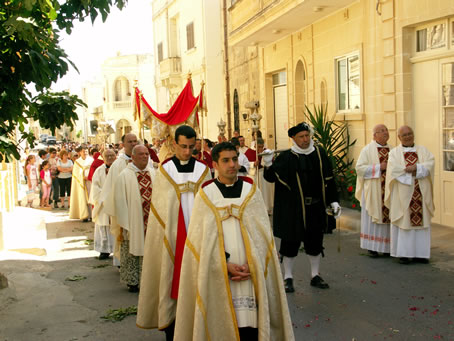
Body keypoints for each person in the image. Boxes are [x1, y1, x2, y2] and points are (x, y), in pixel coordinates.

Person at [173, 142, 295, 341]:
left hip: (250, 272)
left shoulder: (251, 190)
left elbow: (263, 236)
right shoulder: (206, 194)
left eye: (235, 159)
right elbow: (198, 244)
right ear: (215, 165)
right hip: (218, 275)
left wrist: (253, 263)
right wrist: (223, 264)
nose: (232, 165)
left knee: (250, 328)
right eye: (226, 160)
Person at [137, 125, 211, 340]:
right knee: (171, 281)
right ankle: (173, 330)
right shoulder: (165, 170)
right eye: (183, 147)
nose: (187, 152)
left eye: (191, 147)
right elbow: (161, 209)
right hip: (172, 237)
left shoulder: (203, 170)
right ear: (174, 144)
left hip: (197, 236)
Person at [263, 122, 340, 293]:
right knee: (290, 243)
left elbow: (329, 179)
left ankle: (315, 275)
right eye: (301, 137)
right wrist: (268, 163)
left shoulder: (319, 154)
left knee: (315, 242)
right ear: (293, 139)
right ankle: (288, 278)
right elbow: (270, 178)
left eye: (307, 136)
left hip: (315, 207)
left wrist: (334, 201)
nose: (305, 140)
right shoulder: (286, 157)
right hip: (293, 210)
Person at [105, 145, 155, 291]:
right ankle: (133, 281)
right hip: (133, 221)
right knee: (132, 247)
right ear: (132, 157)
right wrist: (125, 223)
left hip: (150, 220)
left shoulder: (153, 173)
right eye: (141, 154)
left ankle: (149, 281)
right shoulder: (125, 175)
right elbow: (119, 201)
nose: (145, 156)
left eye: (146, 154)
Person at [384, 125, 435, 264]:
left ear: (413, 134)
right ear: (399, 137)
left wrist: (417, 168)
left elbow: (430, 164)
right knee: (404, 222)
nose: (408, 136)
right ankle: (404, 254)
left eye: (410, 133)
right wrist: (411, 172)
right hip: (403, 193)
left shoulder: (423, 150)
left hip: (421, 191)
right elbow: (393, 170)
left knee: (422, 224)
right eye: (404, 135)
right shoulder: (394, 153)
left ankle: (421, 254)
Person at [102, 133, 139, 266]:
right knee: (124, 238)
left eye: (135, 141)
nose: (133, 144)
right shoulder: (118, 164)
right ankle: (122, 263)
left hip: (140, 209)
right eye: (130, 142)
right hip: (124, 208)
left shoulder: (145, 161)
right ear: (123, 144)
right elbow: (111, 188)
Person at [355, 124, 392, 257]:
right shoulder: (367, 150)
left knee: (388, 218)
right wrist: (378, 167)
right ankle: (372, 247)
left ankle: (387, 247)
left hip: (387, 190)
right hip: (373, 190)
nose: (385, 133)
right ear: (374, 135)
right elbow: (359, 169)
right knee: (372, 219)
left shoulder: (392, 149)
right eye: (381, 131)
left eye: (386, 130)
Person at [89, 149, 116, 260]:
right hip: (103, 204)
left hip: (115, 203)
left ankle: (116, 251)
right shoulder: (99, 171)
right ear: (103, 158)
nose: (110, 158)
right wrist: (104, 197)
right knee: (103, 227)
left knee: (115, 226)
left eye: (112, 155)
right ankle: (104, 250)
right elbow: (95, 187)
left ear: (116, 156)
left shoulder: (119, 168)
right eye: (107, 156)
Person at [69, 147, 91, 222]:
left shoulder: (91, 160)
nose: (85, 153)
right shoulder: (77, 162)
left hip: (90, 182)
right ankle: (84, 215)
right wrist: (82, 178)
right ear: (80, 153)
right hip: (81, 183)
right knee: (83, 197)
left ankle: (91, 215)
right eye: (83, 152)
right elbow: (76, 173)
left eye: (86, 151)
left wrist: (90, 177)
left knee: (91, 197)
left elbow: (95, 170)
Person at [253, 138, 274, 215]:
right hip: (256, 175)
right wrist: (254, 164)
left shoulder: (266, 152)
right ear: (255, 146)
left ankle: (267, 208)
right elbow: (248, 165)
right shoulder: (251, 152)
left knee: (266, 193)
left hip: (265, 176)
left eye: (262, 146)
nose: (260, 149)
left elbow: (270, 163)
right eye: (258, 147)